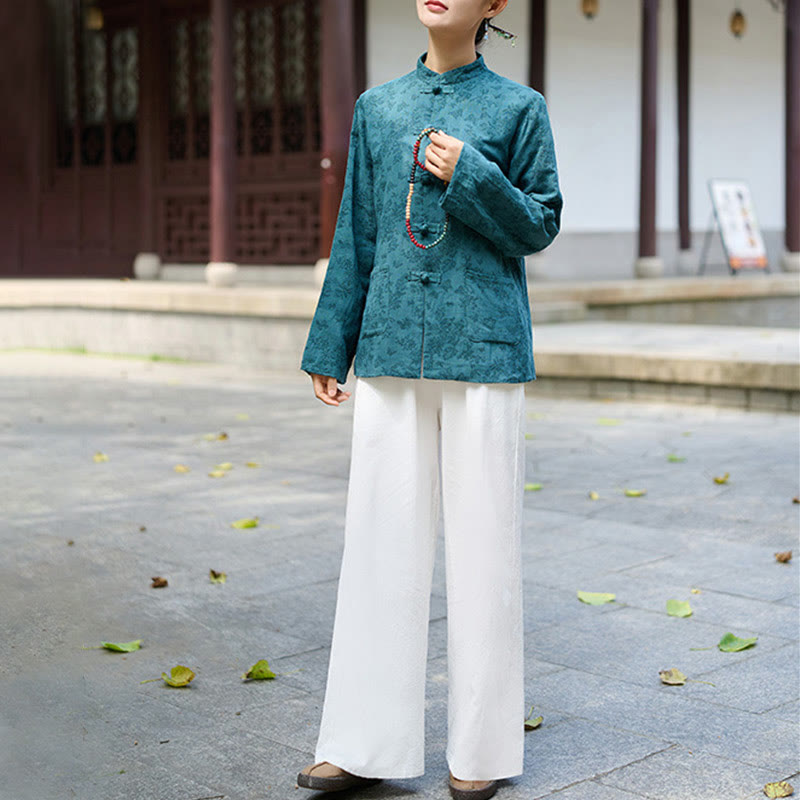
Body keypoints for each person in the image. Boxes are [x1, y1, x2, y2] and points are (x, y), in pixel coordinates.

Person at [296, 1, 562, 797]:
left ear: (494, 7)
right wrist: (330, 340)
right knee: (378, 548)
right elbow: (356, 233)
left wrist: (472, 175)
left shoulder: (520, 109)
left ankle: (479, 755)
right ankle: (361, 745)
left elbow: (540, 225)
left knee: (484, 555)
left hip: (483, 352)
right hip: (387, 348)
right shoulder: (376, 108)